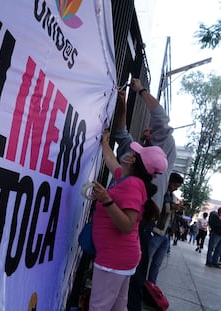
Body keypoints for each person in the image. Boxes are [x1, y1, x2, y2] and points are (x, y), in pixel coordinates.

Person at [112, 79, 176, 311]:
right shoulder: (135, 153)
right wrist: (122, 105)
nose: (150, 131)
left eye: (154, 130)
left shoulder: (160, 154)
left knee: (134, 279)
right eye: (147, 130)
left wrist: (141, 91)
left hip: (141, 224)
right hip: (116, 220)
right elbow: (120, 133)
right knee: (112, 273)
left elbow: (161, 120)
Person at [88, 129, 168, 310]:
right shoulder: (126, 179)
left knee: (98, 307)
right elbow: (110, 161)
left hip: (114, 259)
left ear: (132, 160)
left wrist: (107, 200)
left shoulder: (132, 184)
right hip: (122, 257)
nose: (130, 153)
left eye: (134, 152)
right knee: (118, 307)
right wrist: (105, 142)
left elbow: (127, 224)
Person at [147, 172, 184, 284]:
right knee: (146, 260)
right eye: (175, 186)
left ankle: (151, 286)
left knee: (157, 264)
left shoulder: (171, 196)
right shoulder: (161, 191)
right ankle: (140, 284)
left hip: (166, 233)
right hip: (157, 231)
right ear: (169, 182)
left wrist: (178, 209)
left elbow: (171, 213)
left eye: (177, 187)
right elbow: (159, 207)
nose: (175, 189)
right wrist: (172, 206)